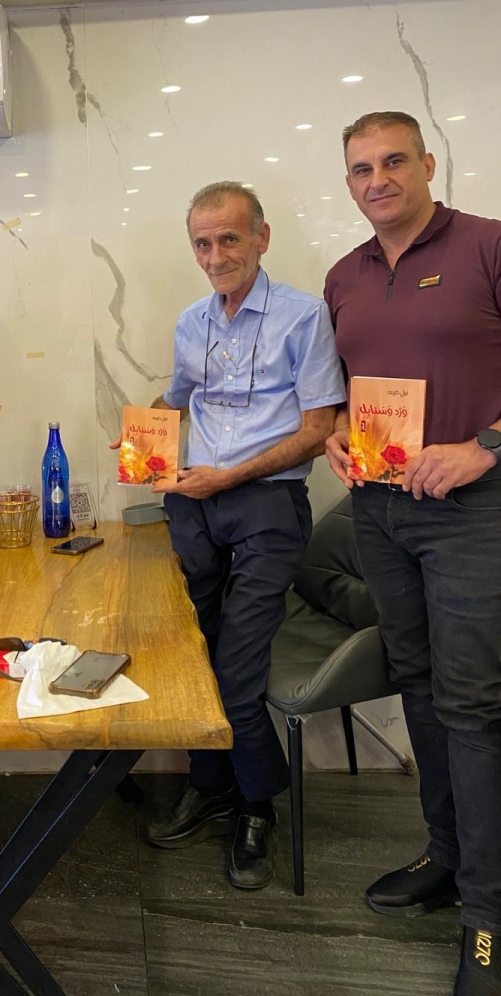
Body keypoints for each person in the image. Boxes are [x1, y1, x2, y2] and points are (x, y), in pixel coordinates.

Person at [324, 111, 501, 996]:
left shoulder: (488, 246)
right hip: (380, 509)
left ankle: (489, 920)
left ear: (428, 164)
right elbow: (350, 387)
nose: (378, 180)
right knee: (421, 689)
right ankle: (445, 856)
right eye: (361, 169)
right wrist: (337, 433)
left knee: (473, 708)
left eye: (394, 161)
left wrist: (487, 446)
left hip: (474, 511)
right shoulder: (344, 276)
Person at [133, 181, 345, 889]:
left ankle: (257, 807)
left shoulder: (303, 316)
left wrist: (228, 477)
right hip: (194, 503)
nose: (216, 255)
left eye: (229, 238)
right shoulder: (192, 320)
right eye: (203, 242)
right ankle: (211, 786)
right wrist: (141, 437)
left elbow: (317, 430)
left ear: (261, 238)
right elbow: (178, 398)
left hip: (267, 506)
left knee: (235, 672)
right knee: (193, 658)